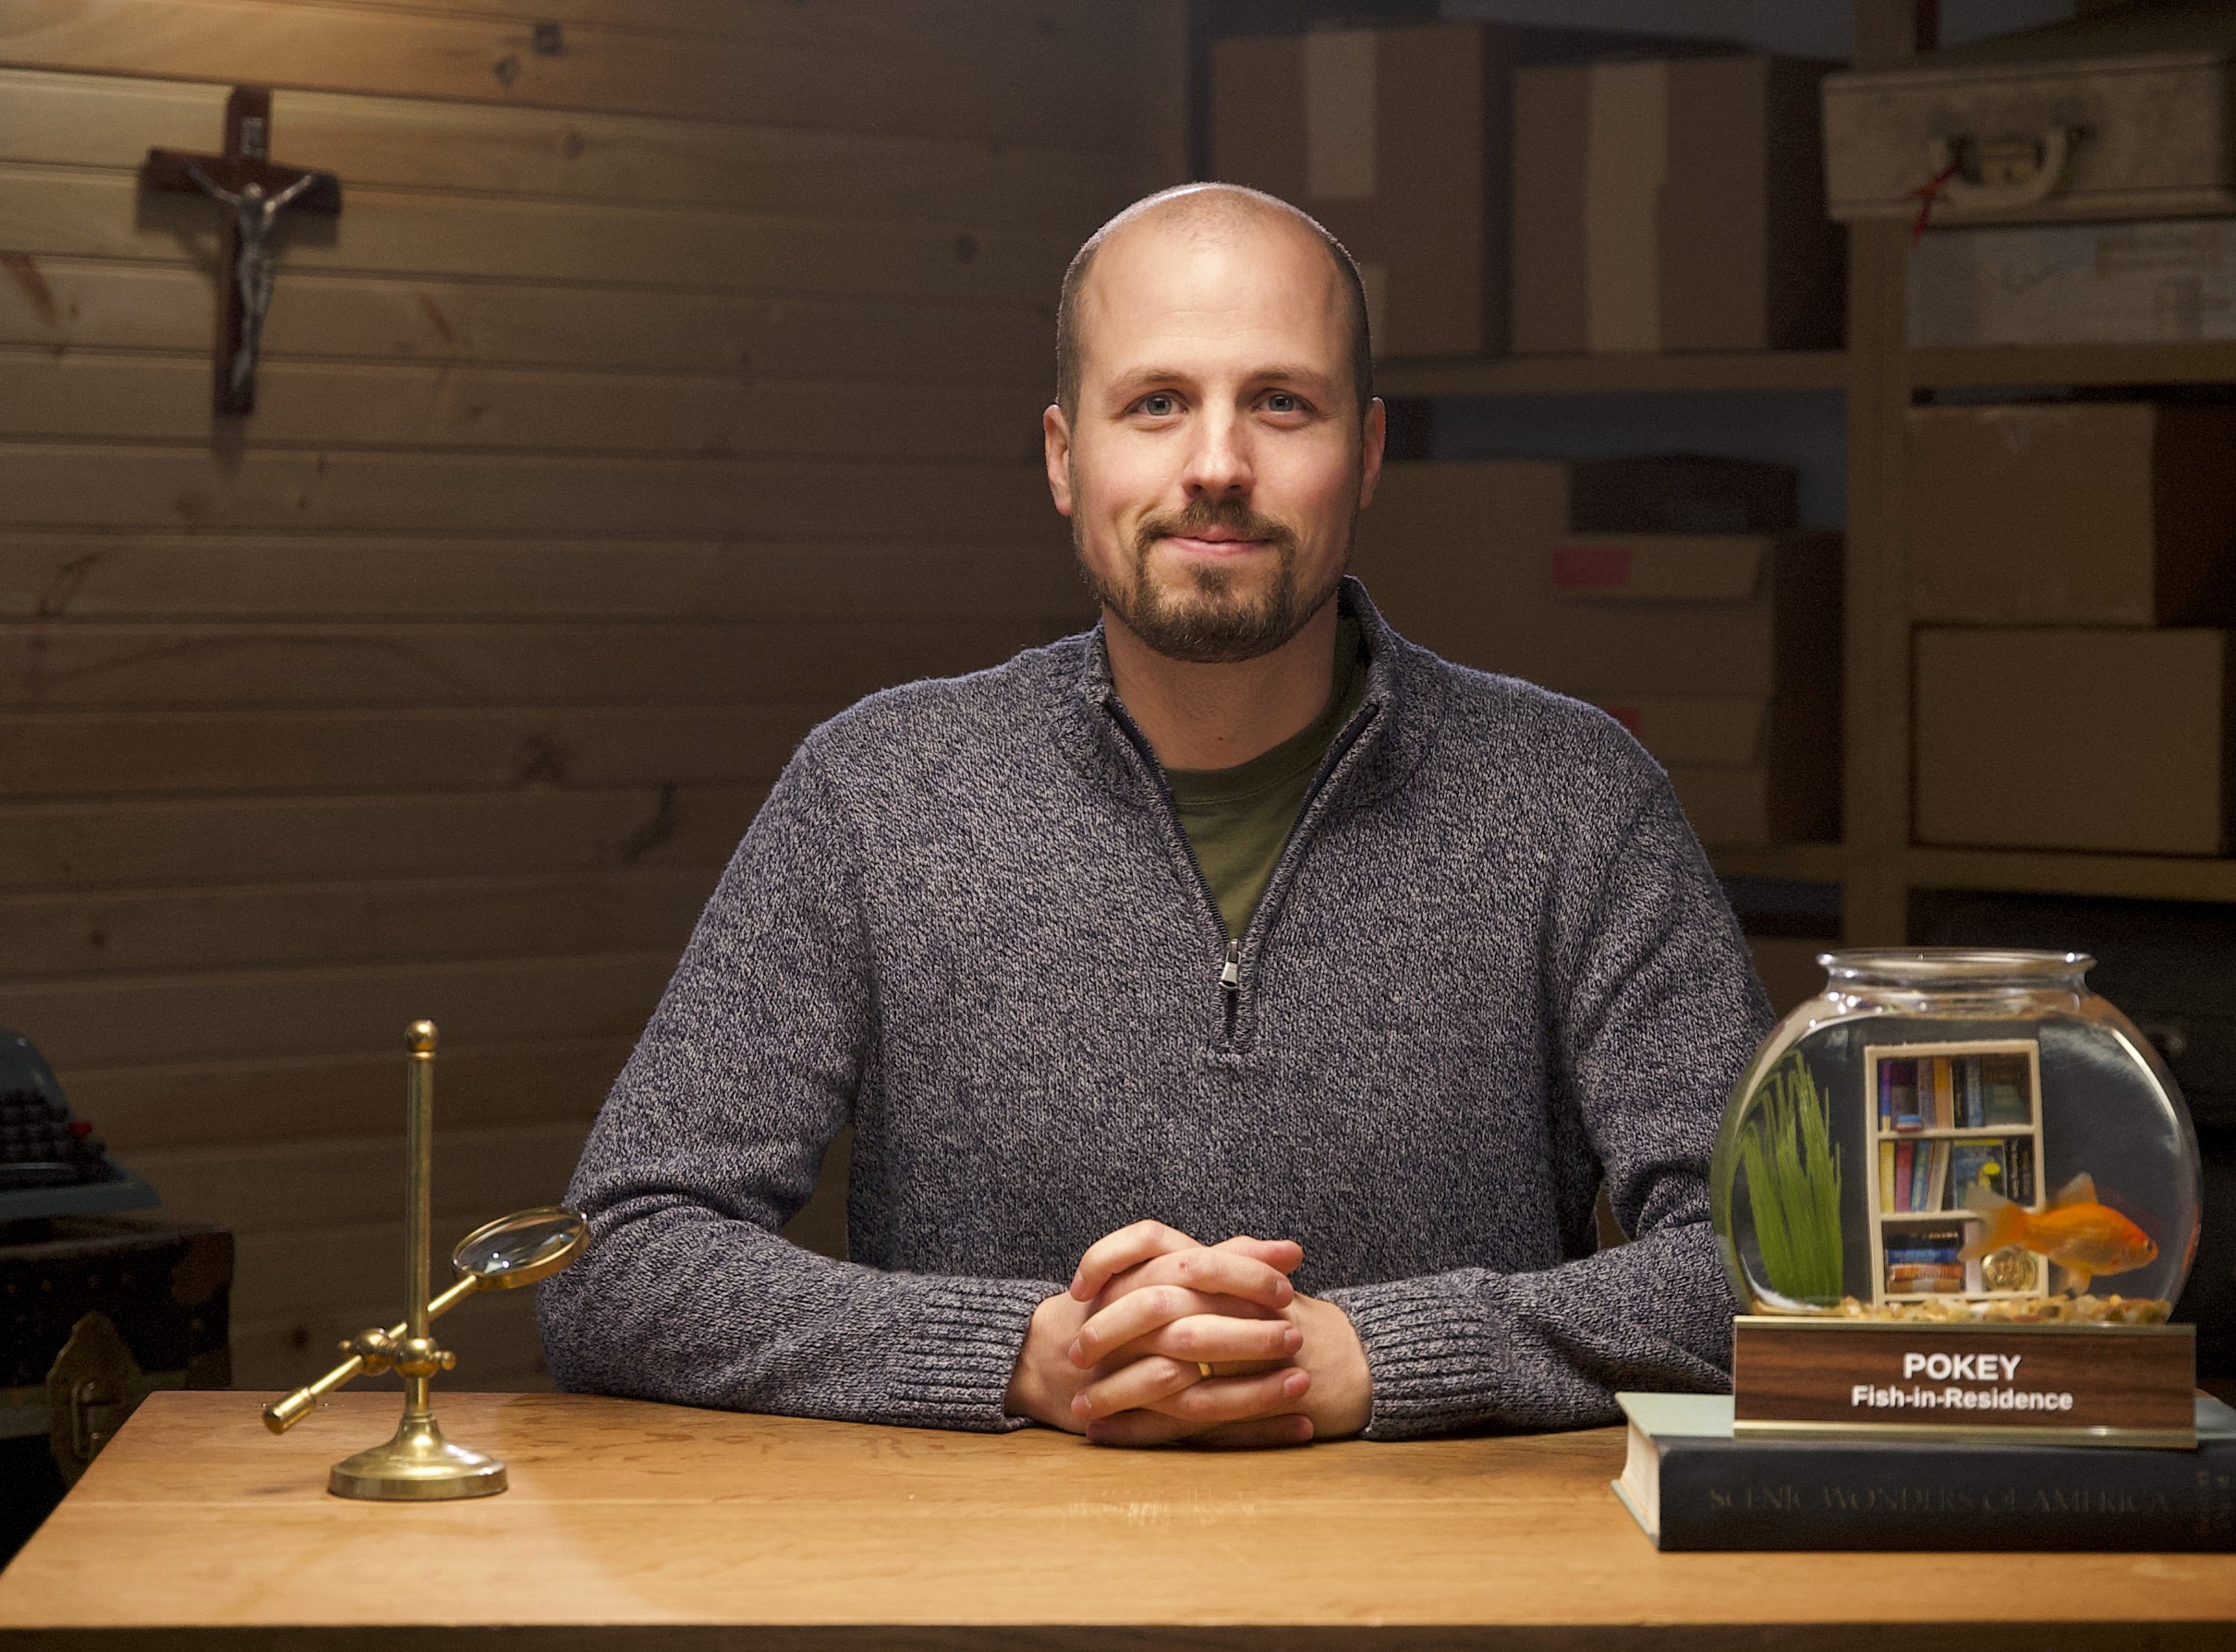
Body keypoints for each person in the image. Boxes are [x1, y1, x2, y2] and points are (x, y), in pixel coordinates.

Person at [539, 183, 1773, 1445]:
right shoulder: (876, 791)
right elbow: (610, 1263)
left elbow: (1786, 1277)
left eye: (1282, 402)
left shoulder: (1576, 800)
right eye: (1158, 403)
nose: (1219, 466)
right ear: (1068, 458)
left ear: (1372, 454)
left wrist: (1380, 1358)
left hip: (1451, 1616)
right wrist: (1016, 1355)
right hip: (983, 1608)